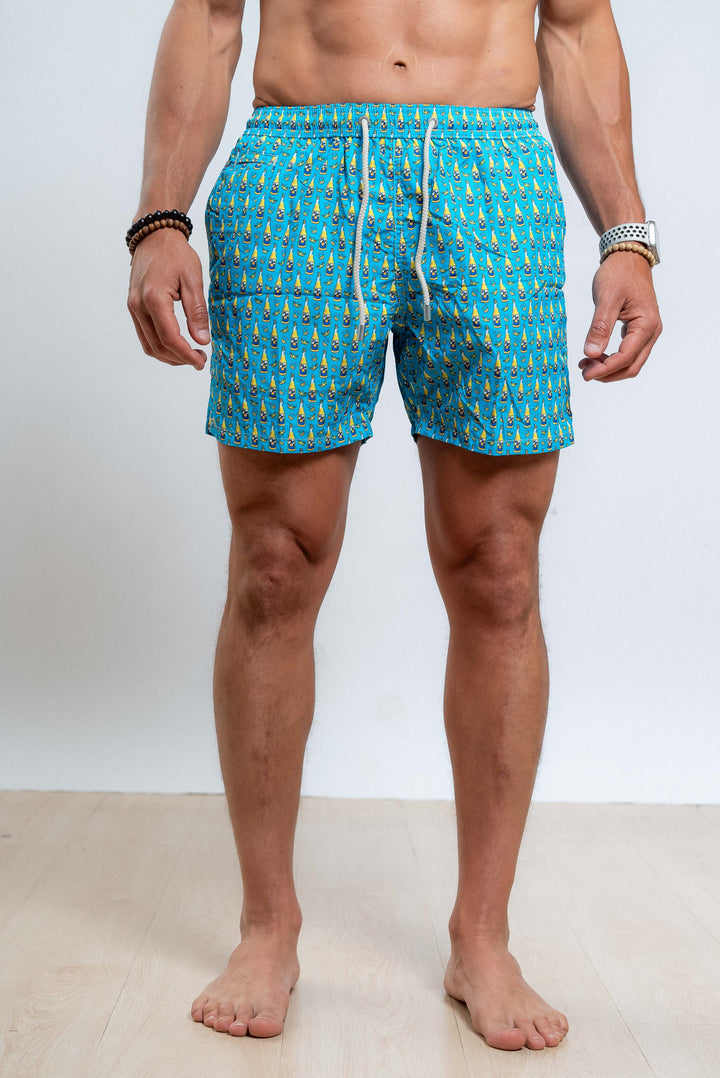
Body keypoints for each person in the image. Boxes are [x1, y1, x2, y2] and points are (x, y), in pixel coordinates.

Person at [126, 0, 662, 1052]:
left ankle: (483, 937)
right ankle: (267, 926)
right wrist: (160, 219)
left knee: (501, 568)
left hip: (491, 173)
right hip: (297, 169)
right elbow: (210, 14)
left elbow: (576, 25)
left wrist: (627, 235)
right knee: (273, 564)